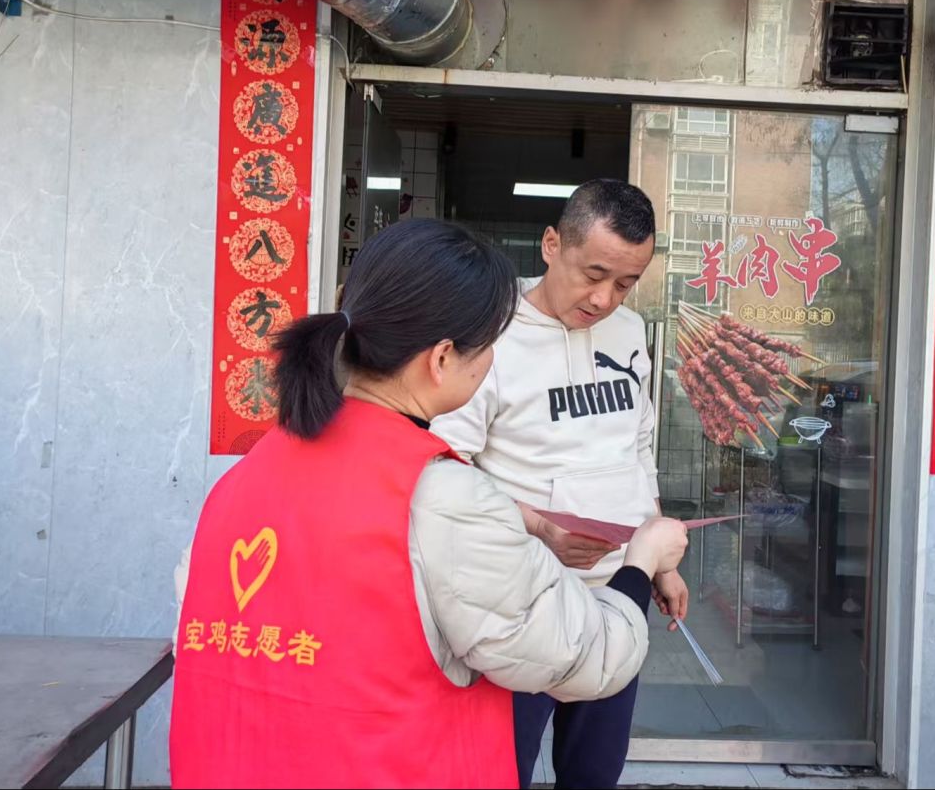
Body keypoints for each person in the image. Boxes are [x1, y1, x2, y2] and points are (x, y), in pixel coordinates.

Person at [169, 219, 688, 789]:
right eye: (489, 348)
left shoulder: (244, 478)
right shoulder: (441, 497)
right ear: (442, 359)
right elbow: (593, 658)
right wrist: (643, 559)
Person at [432, 178, 684, 789]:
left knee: (595, 771)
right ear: (551, 245)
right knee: (502, 769)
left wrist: (659, 560)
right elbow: (444, 467)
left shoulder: (630, 332)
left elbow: (638, 445)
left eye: (625, 283)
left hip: (618, 594)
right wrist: (541, 527)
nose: (604, 299)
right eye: (593, 274)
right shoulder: (489, 332)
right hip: (520, 600)